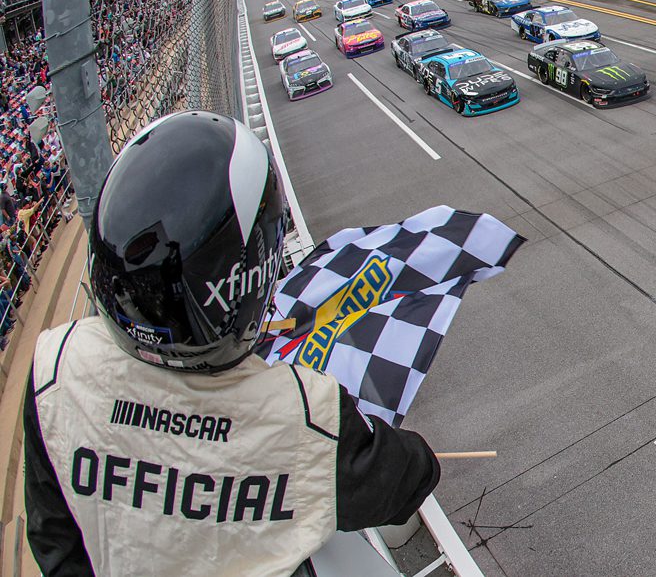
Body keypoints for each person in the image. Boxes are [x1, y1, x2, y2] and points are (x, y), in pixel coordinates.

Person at [24, 111, 441, 576]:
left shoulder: (54, 369)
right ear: (242, 284)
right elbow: (410, 479)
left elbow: (54, 543)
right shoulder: (302, 412)